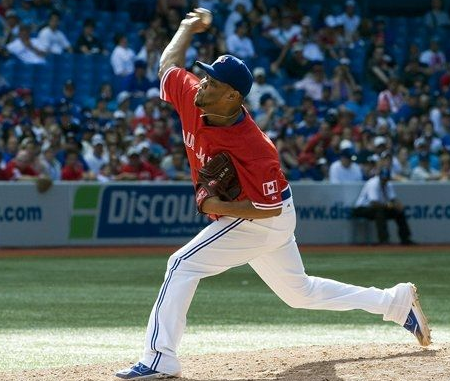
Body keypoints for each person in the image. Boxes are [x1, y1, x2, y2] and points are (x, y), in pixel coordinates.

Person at [115, 9, 431, 380]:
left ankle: (159, 357)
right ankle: (395, 303)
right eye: (204, 76)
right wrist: (186, 27)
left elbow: (268, 208)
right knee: (300, 293)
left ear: (232, 96)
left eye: (213, 83)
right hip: (263, 214)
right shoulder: (193, 96)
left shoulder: (255, 147)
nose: (202, 83)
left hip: (262, 217)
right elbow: (168, 65)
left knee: (182, 265)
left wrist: (214, 203)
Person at [353, 168, 416, 245]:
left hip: (380, 208)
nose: (384, 181)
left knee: (398, 212)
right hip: (362, 208)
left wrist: (398, 205)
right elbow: (374, 203)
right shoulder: (373, 183)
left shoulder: (388, 183)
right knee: (380, 211)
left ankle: (405, 239)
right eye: (383, 179)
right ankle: (384, 240)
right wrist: (388, 205)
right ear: (379, 177)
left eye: (386, 179)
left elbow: (393, 199)